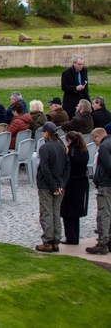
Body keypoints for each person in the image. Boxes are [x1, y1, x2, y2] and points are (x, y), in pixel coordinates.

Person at [35, 122, 70, 252]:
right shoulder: (62, 146)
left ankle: (48, 240)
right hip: (59, 184)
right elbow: (67, 167)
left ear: (46, 133)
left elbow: (45, 169)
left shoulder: (45, 148)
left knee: (47, 213)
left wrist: (54, 186)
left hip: (47, 185)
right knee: (56, 213)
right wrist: (61, 185)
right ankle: (56, 240)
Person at [60, 131, 90, 246]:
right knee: (76, 211)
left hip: (71, 182)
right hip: (81, 181)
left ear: (69, 140)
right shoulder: (84, 150)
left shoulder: (70, 151)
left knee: (67, 211)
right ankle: (75, 236)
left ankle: (70, 237)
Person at [86, 128, 111, 256]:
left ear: (98, 136)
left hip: (106, 184)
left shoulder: (104, 147)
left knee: (103, 214)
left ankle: (102, 243)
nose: (94, 142)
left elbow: (108, 165)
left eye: (94, 139)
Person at [61, 55, 89, 119]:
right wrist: (75, 88)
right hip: (71, 100)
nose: (81, 66)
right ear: (74, 63)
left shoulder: (84, 70)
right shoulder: (66, 73)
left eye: (82, 64)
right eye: (79, 64)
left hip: (82, 97)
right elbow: (64, 87)